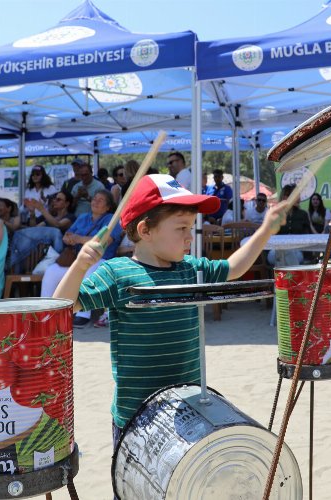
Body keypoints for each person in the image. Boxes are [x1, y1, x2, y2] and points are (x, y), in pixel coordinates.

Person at [52, 174, 287, 446]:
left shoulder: (189, 269)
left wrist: (266, 230)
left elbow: (233, 268)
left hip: (185, 407)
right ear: (145, 231)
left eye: (191, 228)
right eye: (181, 228)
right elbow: (62, 309)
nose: (190, 236)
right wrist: (80, 265)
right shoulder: (117, 272)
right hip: (136, 416)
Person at [41, 190, 122, 328]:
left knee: (88, 268)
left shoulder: (111, 219)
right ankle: (46, 312)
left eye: (100, 200)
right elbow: (67, 235)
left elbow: (104, 241)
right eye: (94, 198)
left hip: (101, 261)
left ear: (108, 206)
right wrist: (69, 238)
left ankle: (83, 315)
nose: (95, 202)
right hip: (76, 259)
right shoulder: (83, 217)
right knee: (52, 271)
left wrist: (79, 239)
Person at [11, 191, 76, 273]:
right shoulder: (50, 217)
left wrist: (42, 209)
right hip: (41, 254)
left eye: (58, 200)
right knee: (20, 235)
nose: (54, 201)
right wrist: (32, 212)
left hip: (59, 253)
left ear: (67, 204)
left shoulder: (71, 217)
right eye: (54, 199)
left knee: (55, 232)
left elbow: (58, 225)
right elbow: (35, 230)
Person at [267, 184, 311, 266]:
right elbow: (271, 235)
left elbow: (308, 235)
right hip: (277, 250)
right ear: (284, 197)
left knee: (287, 253)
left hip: (297, 250)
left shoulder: (303, 214)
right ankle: (294, 276)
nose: (298, 198)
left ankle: (283, 277)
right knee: (281, 253)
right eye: (295, 196)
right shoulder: (276, 214)